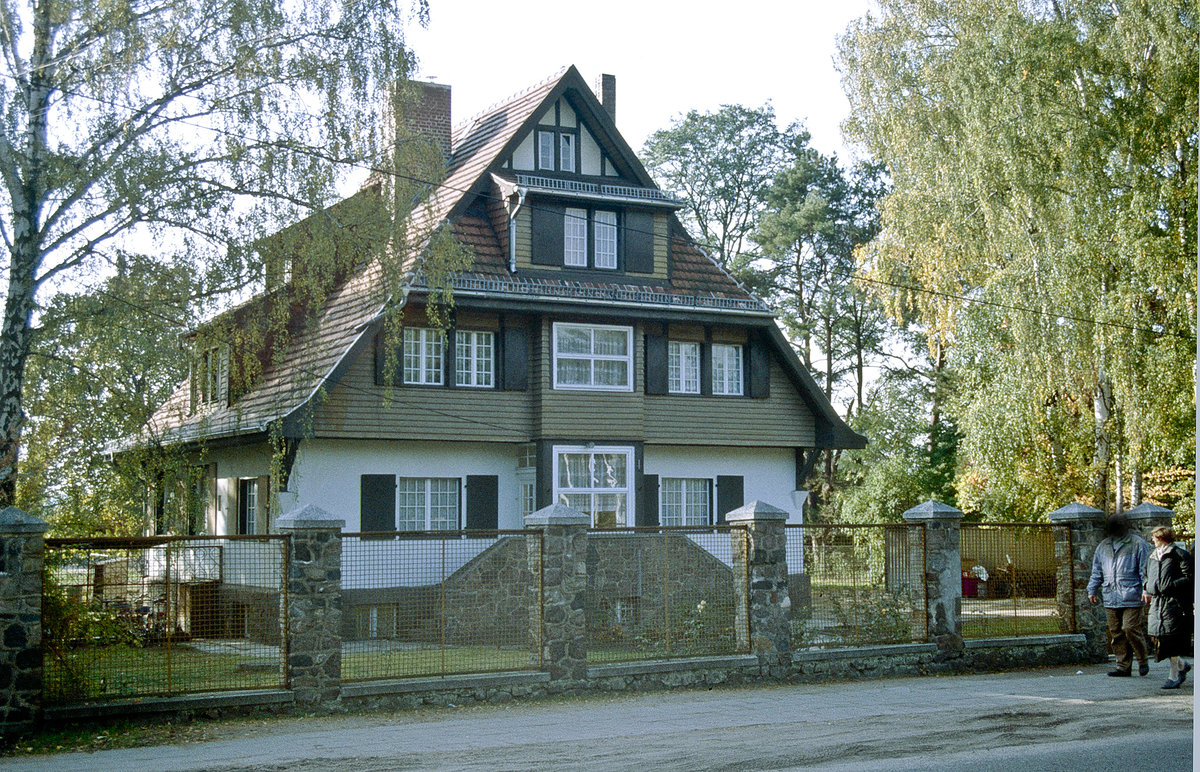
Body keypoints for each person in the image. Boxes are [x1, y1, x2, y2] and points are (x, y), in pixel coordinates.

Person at [1087, 513, 1150, 677]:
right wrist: (1092, 589)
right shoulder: (1103, 546)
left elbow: (1145, 570)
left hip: (1132, 595)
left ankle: (1142, 659)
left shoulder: (1137, 544)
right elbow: (1097, 571)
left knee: (1129, 628)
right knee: (1116, 632)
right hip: (1110, 595)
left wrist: (1146, 589)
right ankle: (1123, 667)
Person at [1142, 525, 1193, 689]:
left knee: (1172, 638)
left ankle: (1174, 675)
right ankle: (1181, 665)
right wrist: (1146, 587)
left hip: (1174, 603)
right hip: (1157, 603)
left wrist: (1170, 586)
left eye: (1155, 538)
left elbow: (1189, 577)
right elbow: (1145, 574)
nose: (1153, 541)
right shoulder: (1152, 556)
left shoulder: (1179, 555)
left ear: (1162, 538)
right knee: (1160, 637)